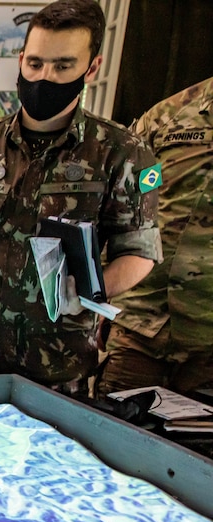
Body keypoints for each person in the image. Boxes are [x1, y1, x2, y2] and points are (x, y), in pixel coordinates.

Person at [0, 0, 162, 395]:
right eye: (36, 63)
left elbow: (139, 252)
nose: (44, 77)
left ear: (91, 67)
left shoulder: (121, 153)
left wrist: (92, 291)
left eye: (62, 66)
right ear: (21, 59)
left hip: (54, 365)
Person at [96, 76, 213, 397]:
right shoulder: (171, 114)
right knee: (108, 431)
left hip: (207, 342)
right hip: (139, 325)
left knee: (194, 446)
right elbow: (117, 202)